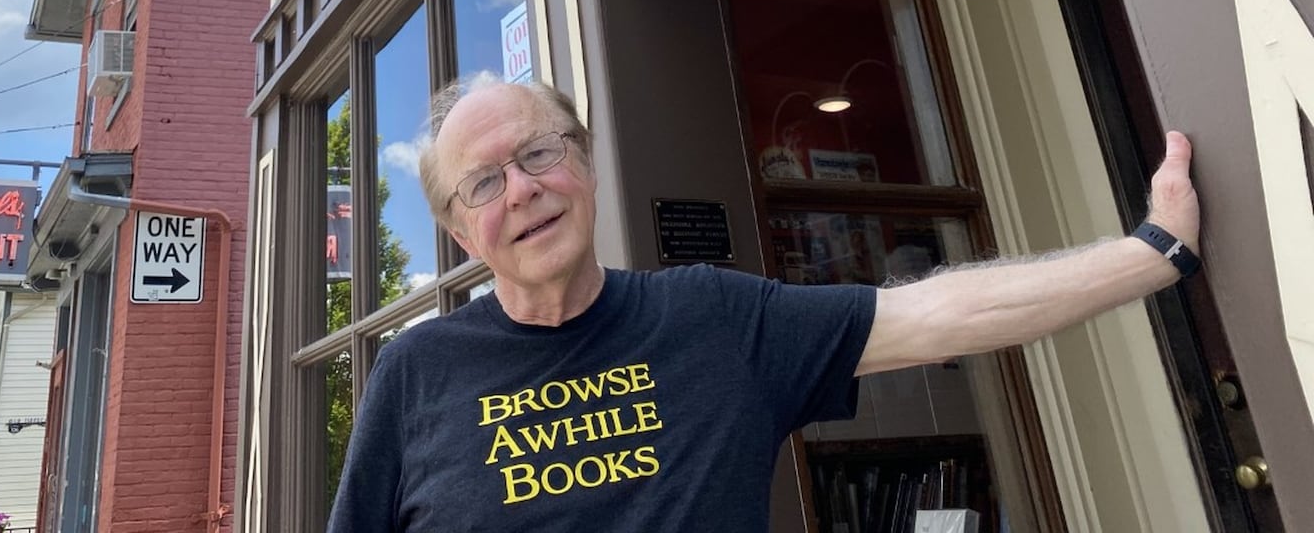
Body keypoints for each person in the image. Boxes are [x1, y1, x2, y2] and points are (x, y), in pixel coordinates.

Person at [328, 74, 1201, 531]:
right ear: (458, 230)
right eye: (485, 181)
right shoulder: (415, 375)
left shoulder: (713, 319)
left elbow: (943, 312)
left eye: (540, 153)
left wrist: (1152, 255)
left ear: (586, 167)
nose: (522, 189)